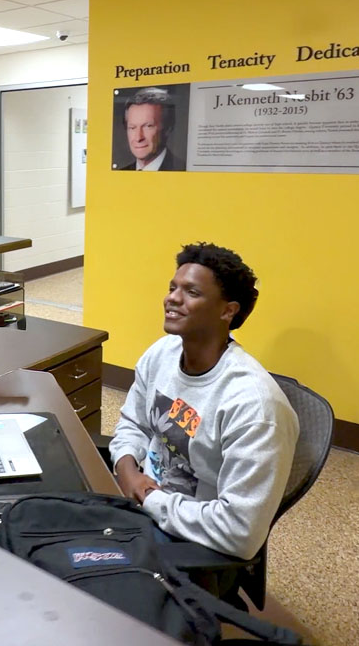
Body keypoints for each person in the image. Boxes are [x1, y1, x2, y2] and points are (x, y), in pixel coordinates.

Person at [109, 242, 298, 560]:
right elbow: (133, 422)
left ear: (228, 311)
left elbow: (240, 532)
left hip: (191, 539)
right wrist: (126, 466)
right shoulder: (162, 353)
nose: (172, 298)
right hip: (144, 502)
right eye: (173, 287)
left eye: (192, 292)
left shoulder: (255, 406)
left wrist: (148, 498)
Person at [118, 87, 184, 171]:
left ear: (168, 128)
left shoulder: (184, 170)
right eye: (132, 128)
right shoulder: (120, 174)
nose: (138, 138)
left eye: (148, 126)